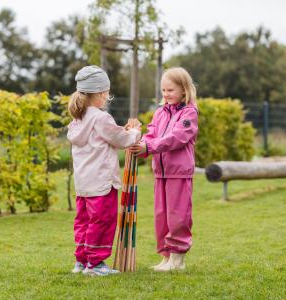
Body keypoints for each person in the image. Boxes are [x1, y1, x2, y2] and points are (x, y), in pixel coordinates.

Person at [67, 65, 141, 276]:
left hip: (83, 185)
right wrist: (135, 130)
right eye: (106, 92)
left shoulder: (77, 120)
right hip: (102, 183)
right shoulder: (101, 118)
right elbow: (122, 139)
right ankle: (96, 264)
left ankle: (81, 261)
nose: (107, 96)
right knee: (103, 221)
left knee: (84, 221)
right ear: (100, 93)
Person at [129, 67, 198, 271]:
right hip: (161, 173)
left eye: (171, 90)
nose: (166, 95)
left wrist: (149, 147)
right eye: (163, 90)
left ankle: (178, 259)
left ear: (184, 90)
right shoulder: (160, 112)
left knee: (178, 215)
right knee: (162, 216)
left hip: (179, 172)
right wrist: (140, 146)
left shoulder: (189, 113)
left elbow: (177, 138)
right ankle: (166, 257)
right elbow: (151, 134)